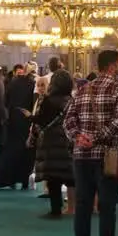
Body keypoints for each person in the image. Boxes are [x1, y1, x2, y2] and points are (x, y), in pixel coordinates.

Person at [64, 50, 118, 236]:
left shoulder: (82, 90)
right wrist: (98, 138)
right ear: (111, 67)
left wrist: (78, 137)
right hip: (107, 157)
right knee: (107, 208)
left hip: (81, 157)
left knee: (82, 208)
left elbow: (68, 120)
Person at [32, 71, 75, 218]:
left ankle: (56, 209)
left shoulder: (48, 100)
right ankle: (73, 207)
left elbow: (42, 120)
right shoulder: (72, 100)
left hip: (51, 141)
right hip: (69, 139)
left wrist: (30, 118)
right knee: (70, 176)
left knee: (53, 177)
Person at [0, 59, 37, 190]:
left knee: (11, 151)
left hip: (13, 121)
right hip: (26, 121)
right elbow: (34, 105)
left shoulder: (13, 83)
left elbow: (5, 102)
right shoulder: (32, 84)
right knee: (26, 152)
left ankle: (10, 180)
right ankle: (24, 180)